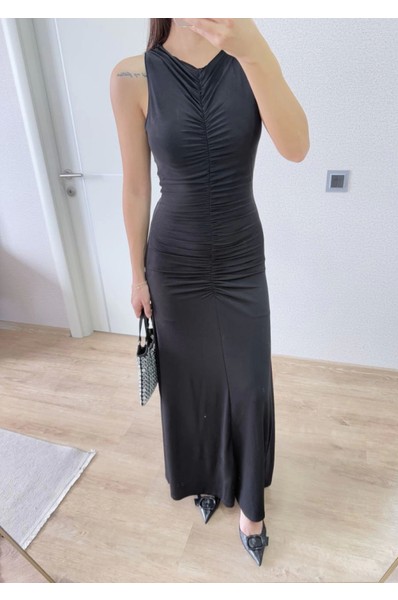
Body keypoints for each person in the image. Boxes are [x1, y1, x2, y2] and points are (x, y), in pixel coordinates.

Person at [110, 18, 309, 567]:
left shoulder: (249, 56)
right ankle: (206, 478)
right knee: (190, 385)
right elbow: (135, 187)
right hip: (173, 264)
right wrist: (136, 274)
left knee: (249, 383)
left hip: (241, 258)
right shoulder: (131, 76)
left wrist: (254, 47)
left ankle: (251, 505)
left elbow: (296, 147)